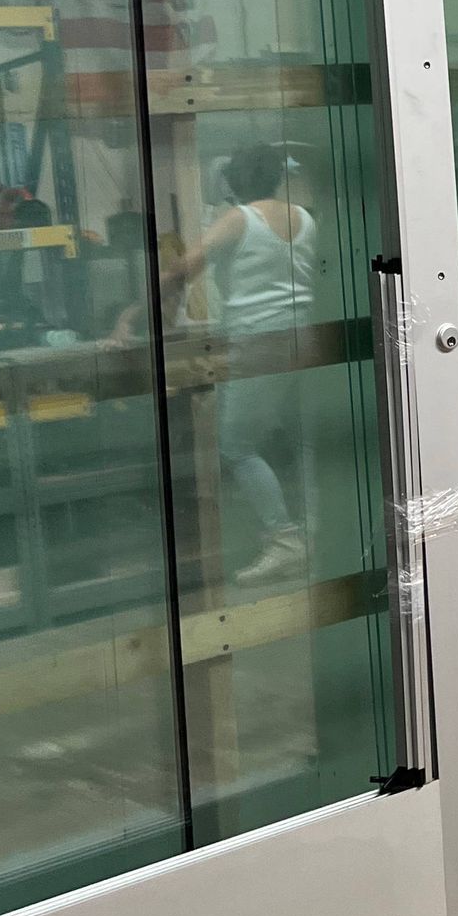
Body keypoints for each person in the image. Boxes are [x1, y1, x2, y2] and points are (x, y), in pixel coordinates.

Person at [114, 143, 317, 588]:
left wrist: (131, 313)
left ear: (233, 182)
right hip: (305, 339)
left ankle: (286, 543)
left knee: (237, 446)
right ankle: (318, 532)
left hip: (257, 343)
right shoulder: (305, 218)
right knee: (302, 440)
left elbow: (181, 271)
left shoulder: (239, 219)